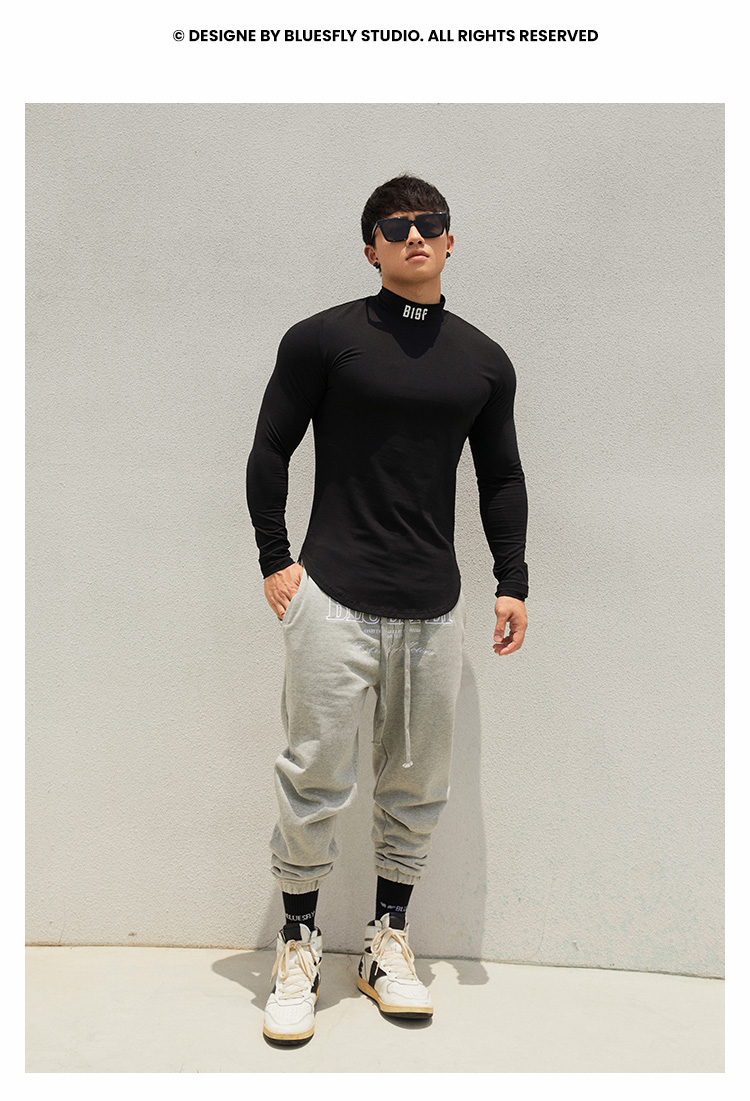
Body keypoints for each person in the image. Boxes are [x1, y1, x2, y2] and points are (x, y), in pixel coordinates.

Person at [246, 175, 529, 1044]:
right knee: (314, 778)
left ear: (450, 240)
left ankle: (384, 944)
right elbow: (270, 446)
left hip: (433, 609)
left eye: (429, 223)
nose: (415, 235)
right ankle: (297, 944)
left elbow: (502, 475)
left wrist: (512, 578)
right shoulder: (323, 339)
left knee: (414, 786)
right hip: (331, 598)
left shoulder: (483, 360)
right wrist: (275, 559)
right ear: (370, 247)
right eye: (396, 226)